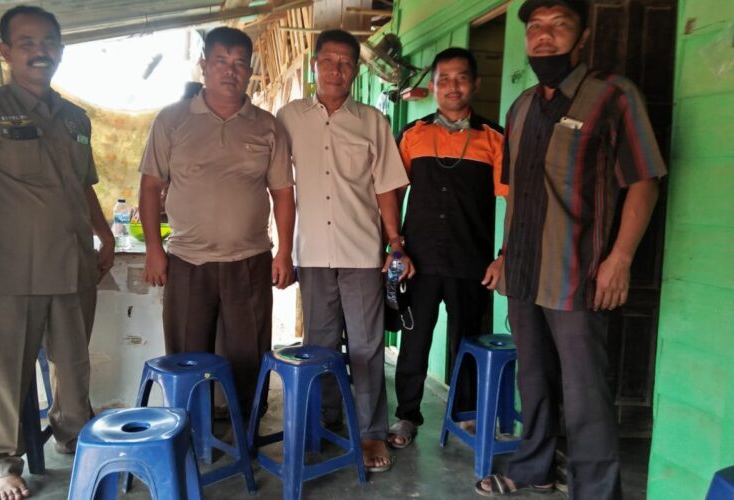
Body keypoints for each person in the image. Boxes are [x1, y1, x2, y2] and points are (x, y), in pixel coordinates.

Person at [477, 0, 667, 498]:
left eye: (559, 25)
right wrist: (503, 254)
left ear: (581, 37)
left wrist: (620, 259)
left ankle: (596, 490)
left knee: (585, 391)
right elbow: (518, 194)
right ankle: (534, 467)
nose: (544, 36)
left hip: (576, 271)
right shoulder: (520, 108)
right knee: (533, 379)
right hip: (523, 271)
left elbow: (644, 181)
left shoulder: (613, 95)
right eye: (535, 27)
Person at [0, 6, 114, 499]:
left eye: (49, 43)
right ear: (6, 51)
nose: (41, 52)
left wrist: (104, 236)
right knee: (5, 370)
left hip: (73, 264)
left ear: (61, 49)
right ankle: (0, 461)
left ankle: (75, 436)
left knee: (73, 364)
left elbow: (83, 186)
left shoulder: (75, 118)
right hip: (10, 269)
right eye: (28, 43)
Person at [138, 26, 295, 417]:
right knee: (187, 357)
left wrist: (285, 252)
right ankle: (190, 428)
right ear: (204, 65)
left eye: (239, 63)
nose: (230, 70)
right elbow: (151, 186)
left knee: (248, 355)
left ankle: (245, 431)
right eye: (221, 61)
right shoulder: (172, 120)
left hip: (250, 260)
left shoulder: (267, 125)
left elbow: (282, 193)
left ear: (249, 71)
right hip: (188, 261)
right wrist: (154, 250)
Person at [277, 29, 412, 473]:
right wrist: (282, 248)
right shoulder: (289, 118)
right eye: (328, 60)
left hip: (361, 252)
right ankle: (325, 418)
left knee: (367, 346)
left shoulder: (372, 121)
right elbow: (279, 186)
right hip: (313, 252)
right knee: (320, 345)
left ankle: (371, 432)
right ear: (314, 64)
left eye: (346, 62)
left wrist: (395, 243)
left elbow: (386, 186)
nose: (336, 69)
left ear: (355, 70)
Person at [388, 47, 507, 449]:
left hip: (471, 262)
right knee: (414, 342)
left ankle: (466, 414)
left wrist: (504, 256)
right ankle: (407, 415)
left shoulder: (494, 138)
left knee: (467, 341)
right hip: (417, 262)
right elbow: (392, 193)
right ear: (434, 86)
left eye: (461, 78)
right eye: (444, 80)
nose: (452, 87)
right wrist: (394, 245)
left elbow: (514, 202)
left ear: (476, 84)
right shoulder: (413, 134)